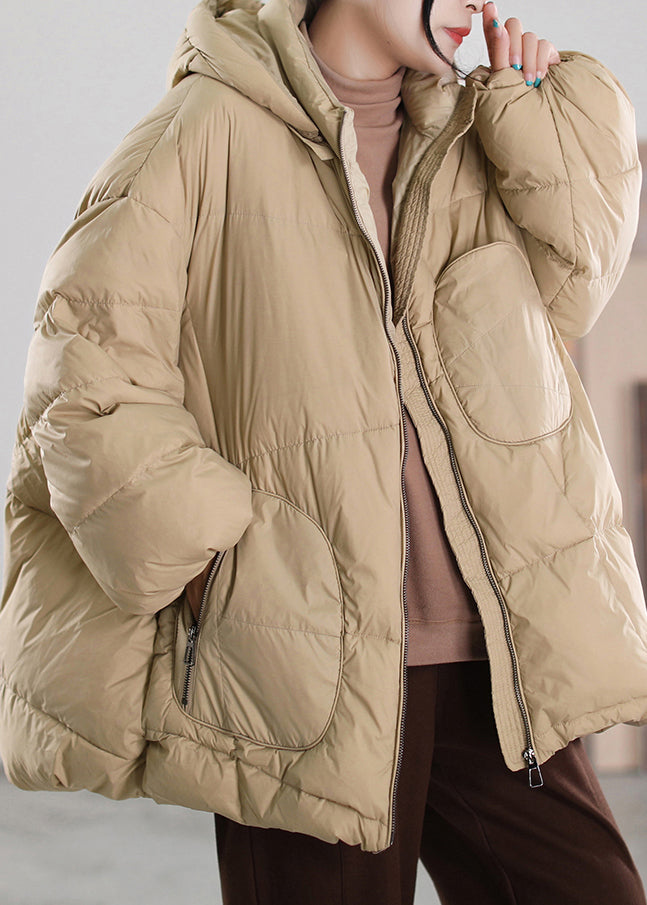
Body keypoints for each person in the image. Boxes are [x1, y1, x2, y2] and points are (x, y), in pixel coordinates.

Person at [0, 0, 646, 902]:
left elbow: (571, 289)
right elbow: (84, 379)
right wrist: (221, 564)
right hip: (307, 672)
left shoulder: (473, 126)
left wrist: (542, 113)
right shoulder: (204, 130)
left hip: (493, 660)